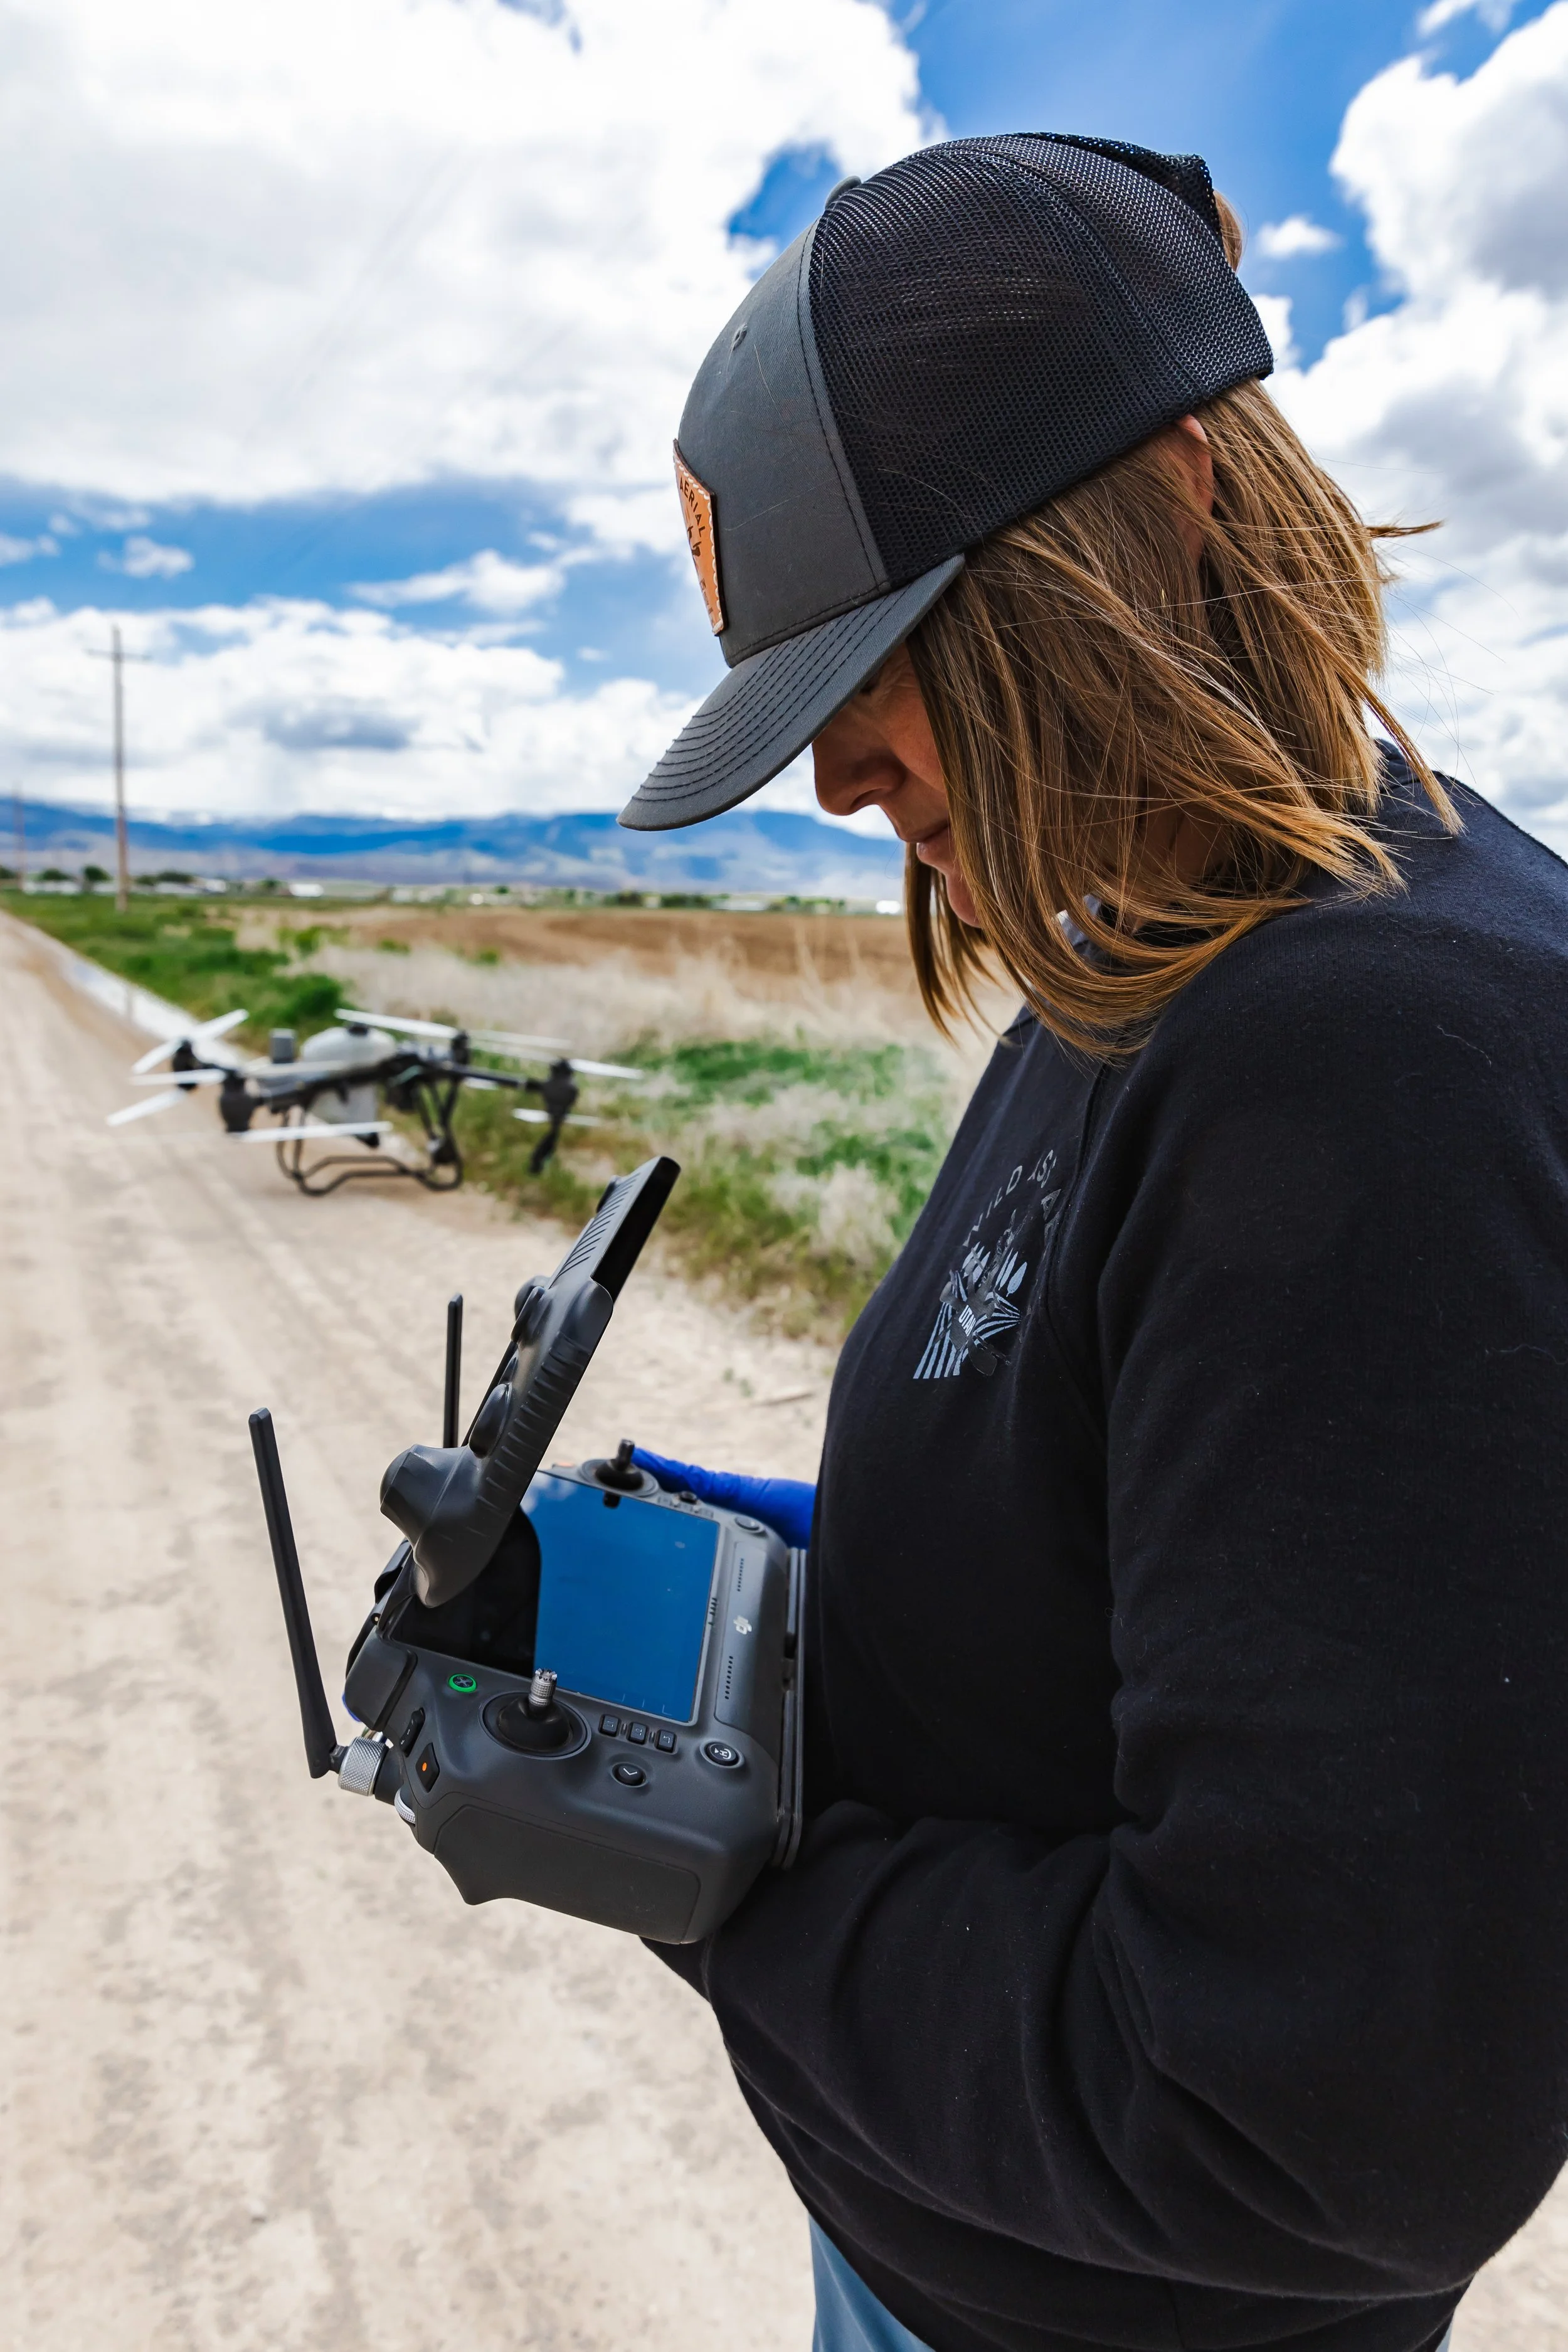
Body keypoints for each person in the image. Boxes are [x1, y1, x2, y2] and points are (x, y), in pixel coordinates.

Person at [617, 137, 1568, 2352]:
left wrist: (721, 1867)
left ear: (1161, 508)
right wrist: (760, 1581)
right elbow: (1132, 1523)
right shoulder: (1164, 955)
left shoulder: (1381, 1065)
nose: (840, 777)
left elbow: (1309, 2122)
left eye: (878, 656)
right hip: (957, 2259)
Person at [524, 1056, 579, 1174]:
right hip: (555, 1118)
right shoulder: (568, 1088)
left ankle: (538, 1164)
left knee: (551, 1138)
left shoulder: (558, 1087)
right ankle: (537, 1164)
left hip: (554, 1118)